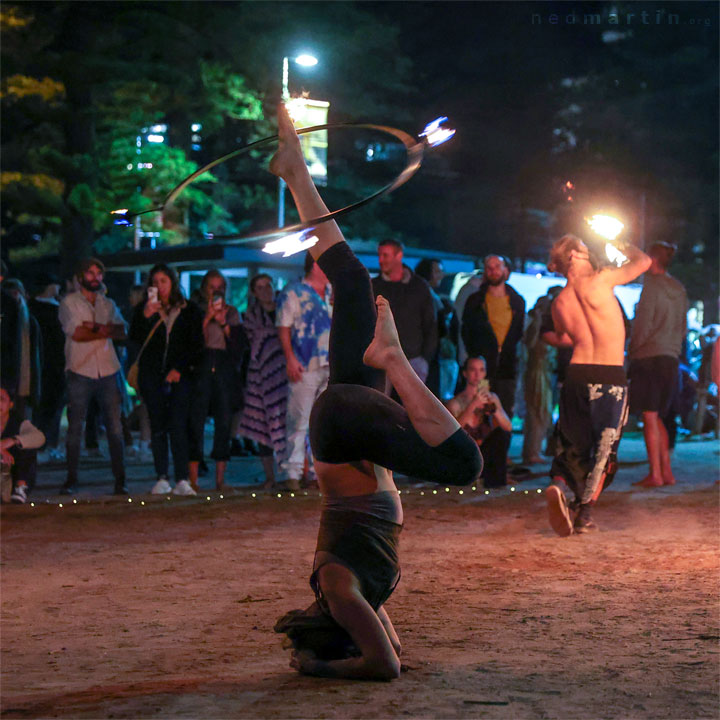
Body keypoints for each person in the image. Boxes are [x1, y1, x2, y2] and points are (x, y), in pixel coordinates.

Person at [270, 103, 481, 680]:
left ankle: (391, 359)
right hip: (343, 426)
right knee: (353, 283)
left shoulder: (339, 590)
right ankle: (295, 172)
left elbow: (383, 666)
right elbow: (389, 648)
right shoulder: (350, 592)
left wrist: (318, 670)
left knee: (465, 464)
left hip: (341, 429)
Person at [544, 234, 651, 536]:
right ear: (575, 257)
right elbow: (643, 261)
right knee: (603, 452)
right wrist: (617, 240)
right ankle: (584, 514)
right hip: (609, 377)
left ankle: (561, 486)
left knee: (572, 446)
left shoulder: (559, 302)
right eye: (585, 250)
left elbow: (565, 337)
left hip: (576, 376)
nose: (591, 254)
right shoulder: (603, 280)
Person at [129, 264, 203, 496]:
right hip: (152, 376)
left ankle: (182, 478)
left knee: (178, 425)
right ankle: (161, 476)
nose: (159, 286)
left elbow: (196, 344)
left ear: (172, 282)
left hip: (181, 376)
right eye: (155, 282)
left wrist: (179, 368)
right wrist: (146, 316)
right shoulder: (144, 309)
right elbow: (134, 339)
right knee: (158, 426)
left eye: (164, 281)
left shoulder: (188, 309)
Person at [58, 258, 128, 495]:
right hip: (80, 369)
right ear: (80, 277)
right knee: (76, 427)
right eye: (90, 273)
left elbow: (122, 331)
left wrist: (95, 327)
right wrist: (105, 329)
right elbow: (76, 333)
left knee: (115, 428)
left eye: (99, 273)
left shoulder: (107, 303)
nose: (95, 277)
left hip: (108, 368)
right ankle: (71, 479)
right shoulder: (69, 302)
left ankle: (121, 480)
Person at [628, 242, 688, 488]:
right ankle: (667, 473)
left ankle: (655, 474)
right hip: (671, 357)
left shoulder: (651, 286)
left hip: (649, 357)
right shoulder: (679, 288)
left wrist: (632, 351)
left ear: (651, 260)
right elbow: (683, 327)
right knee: (661, 416)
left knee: (650, 416)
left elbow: (643, 324)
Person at [276, 251, 332, 491]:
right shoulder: (293, 292)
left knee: (323, 422)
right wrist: (290, 358)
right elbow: (283, 326)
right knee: (299, 419)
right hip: (304, 363)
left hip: (330, 363)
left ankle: (319, 472)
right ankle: (293, 472)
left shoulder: (332, 292)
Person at [188, 270, 247, 491]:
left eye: (220, 286)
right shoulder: (195, 311)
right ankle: (193, 479)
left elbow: (238, 348)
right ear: (204, 288)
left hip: (223, 368)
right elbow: (192, 344)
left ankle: (220, 480)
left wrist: (224, 324)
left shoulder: (232, 313)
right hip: (202, 368)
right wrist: (206, 320)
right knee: (196, 421)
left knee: (223, 422)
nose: (216, 290)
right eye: (212, 286)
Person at [236, 273, 288, 490]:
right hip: (260, 375)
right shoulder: (251, 315)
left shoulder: (285, 307)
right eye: (260, 287)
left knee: (289, 424)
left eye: (268, 285)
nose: (265, 290)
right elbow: (253, 342)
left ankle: (291, 474)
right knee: (262, 425)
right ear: (254, 292)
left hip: (288, 373)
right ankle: (270, 476)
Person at [461, 255, 526, 418]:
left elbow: (519, 333)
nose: (493, 271)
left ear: (506, 270)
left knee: (504, 414)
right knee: (482, 414)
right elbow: (465, 331)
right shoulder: (475, 301)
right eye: (489, 267)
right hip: (482, 371)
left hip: (507, 369)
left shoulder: (517, 302)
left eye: (497, 266)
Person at [372, 240, 437, 391]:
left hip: (413, 359)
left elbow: (430, 324)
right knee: (380, 405)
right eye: (380, 255)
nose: (381, 260)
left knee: (415, 409)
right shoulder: (374, 286)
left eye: (385, 255)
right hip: (383, 360)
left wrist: (425, 359)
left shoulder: (418, 286)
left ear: (399, 256)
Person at [446, 356, 512, 488]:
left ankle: (495, 483)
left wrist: (495, 410)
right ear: (465, 373)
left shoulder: (492, 397)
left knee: (501, 435)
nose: (477, 375)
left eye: (481, 370)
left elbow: (508, 427)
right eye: (473, 370)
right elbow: (452, 433)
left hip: (485, 454)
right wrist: (473, 405)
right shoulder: (455, 402)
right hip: (466, 456)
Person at [28, 274, 67, 461]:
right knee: (52, 407)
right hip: (55, 364)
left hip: (36, 364)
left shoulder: (29, 308)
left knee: (39, 407)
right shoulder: (57, 310)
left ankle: (39, 445)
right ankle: (46, 445)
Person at [415, 258, 460, 400]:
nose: (442, 275)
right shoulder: (427, 296)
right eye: (437, 271)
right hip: (426, 357)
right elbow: (439, 328)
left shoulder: (432, 296)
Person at [522, 295, 555, 464]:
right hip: (538, 372)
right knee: (538, 411)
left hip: (541, 372)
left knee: (540, 412)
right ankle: (532, 452)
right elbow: (530, 344)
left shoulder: (539, 324)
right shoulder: (537, 325)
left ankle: (534, 450)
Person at [1, 386, 45, 504]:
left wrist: (13, 440)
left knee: (26, 444)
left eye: (1, 399)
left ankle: (20, 487)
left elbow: (40, 438)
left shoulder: (18, 422)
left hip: (13, 472)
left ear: (10, 404)